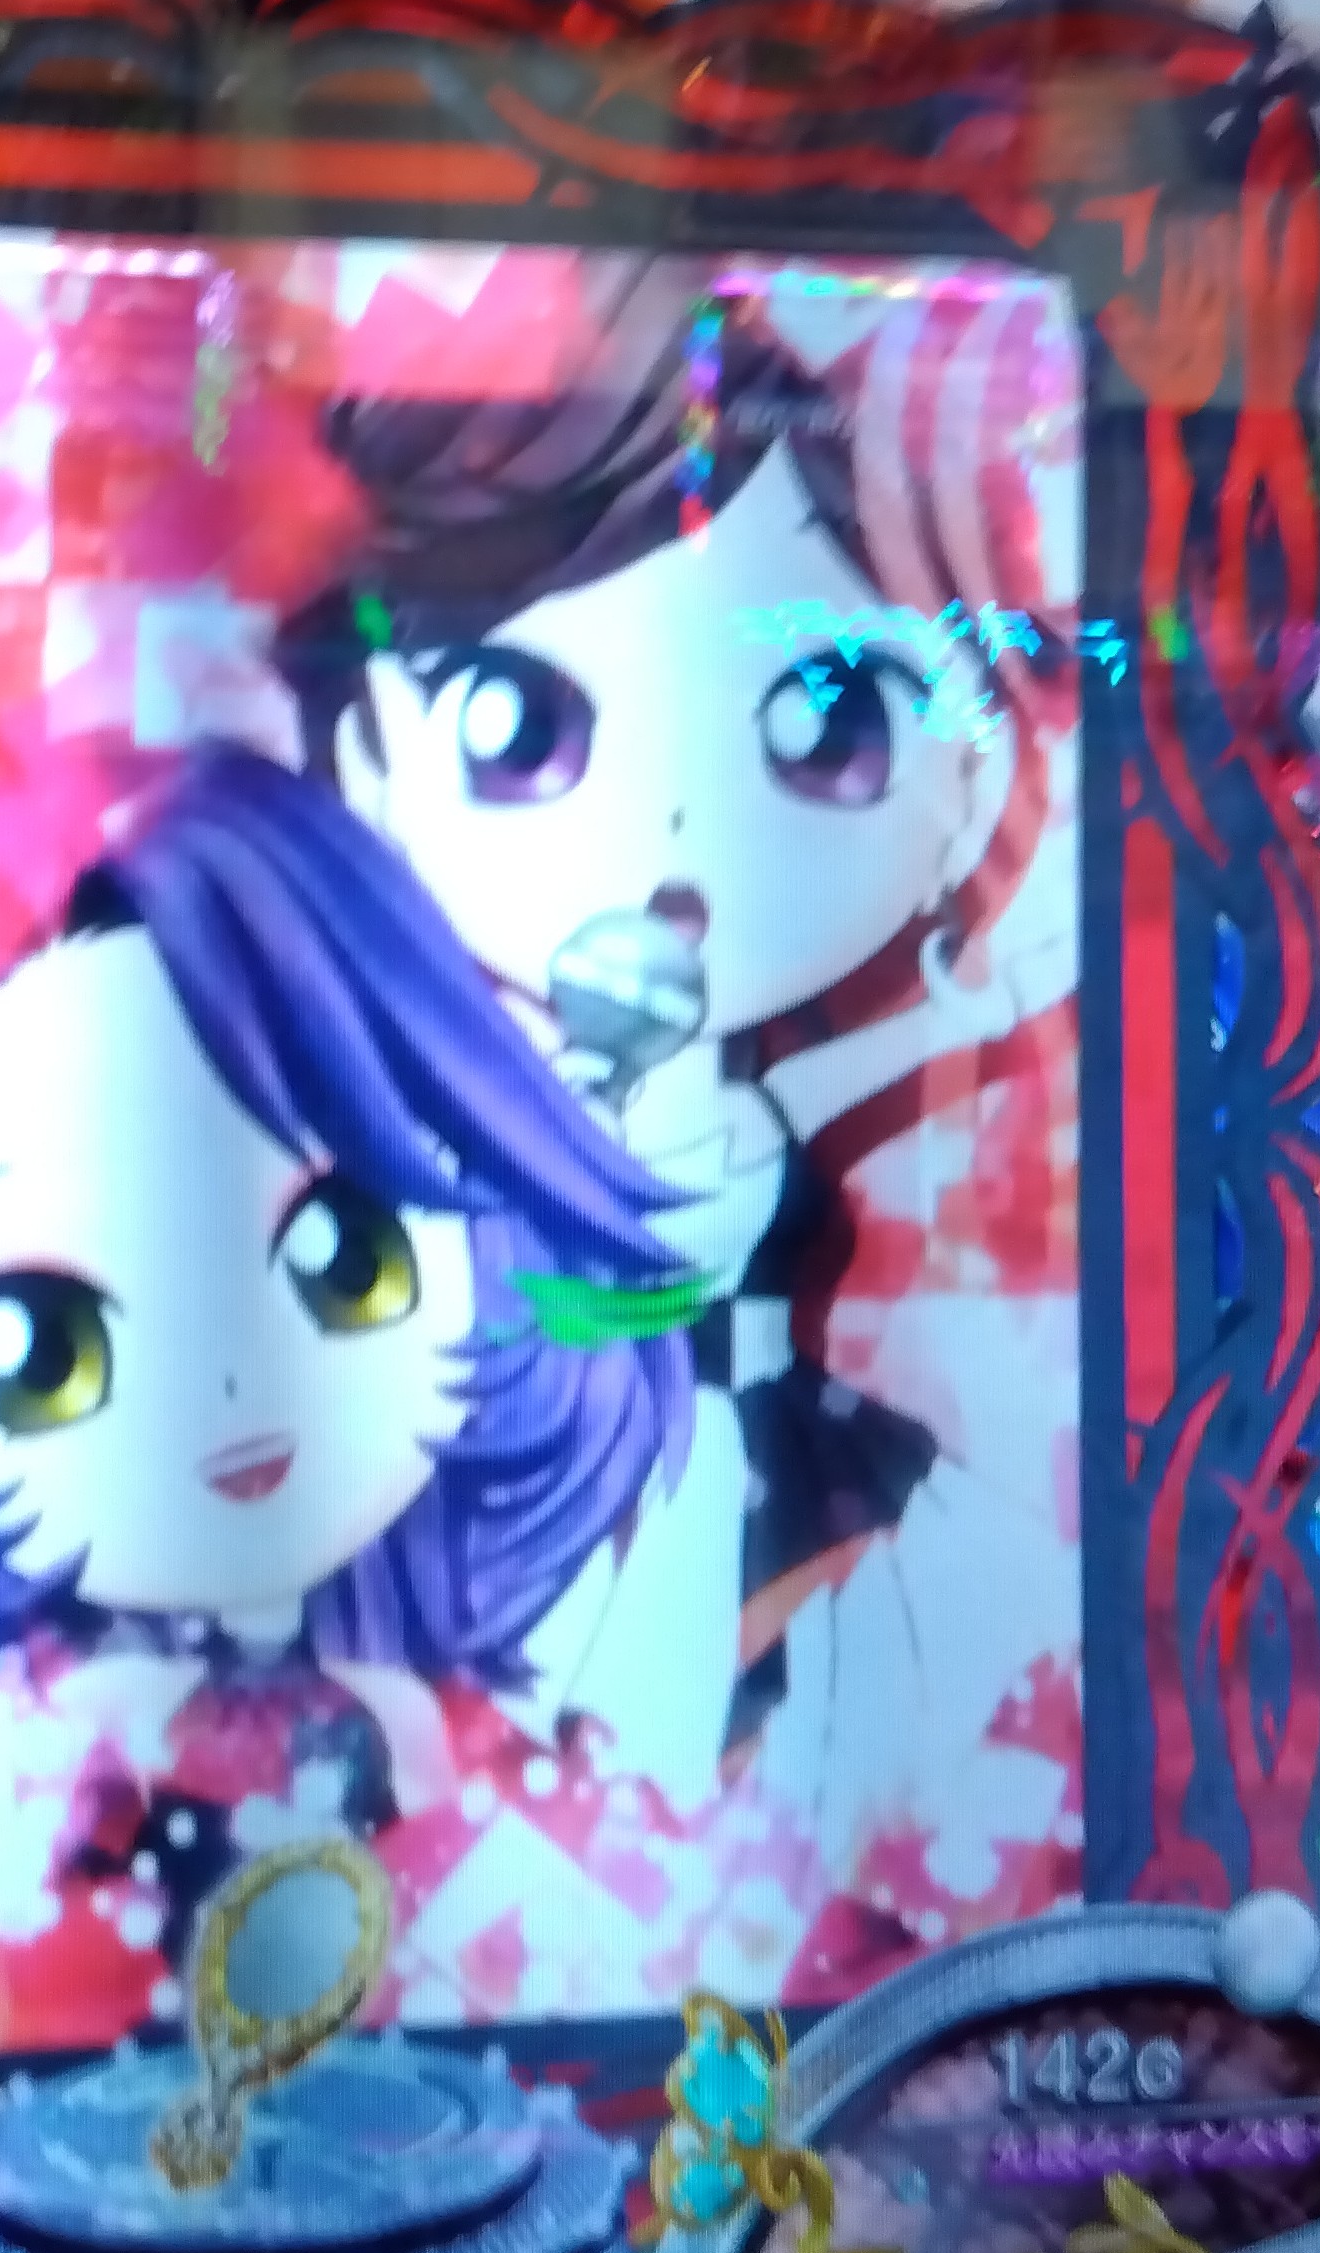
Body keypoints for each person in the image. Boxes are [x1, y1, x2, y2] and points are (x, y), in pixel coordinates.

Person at [275, 259, 1084, 1790]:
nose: (667, 841)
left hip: (758, 1531)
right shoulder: (391, 1146)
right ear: (373, 749)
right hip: (473, 1526)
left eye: (826, 727)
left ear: (972, 775)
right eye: (517, 724)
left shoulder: (897, 1507)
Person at [0, 744, 703, 1978]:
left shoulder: (427, 1725)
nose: (223, 1390)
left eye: (348, 1262)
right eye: (47, 1353)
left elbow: (573, 1967)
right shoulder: (22, 1733)